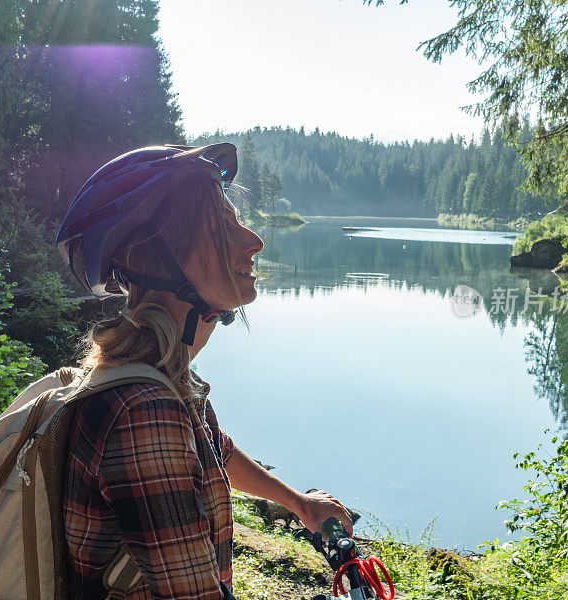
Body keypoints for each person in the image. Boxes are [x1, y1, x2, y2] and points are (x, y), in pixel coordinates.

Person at [55, 144, 353, 600]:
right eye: (224, 227)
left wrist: (298, 505)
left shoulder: (159, 378)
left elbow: (215, 451)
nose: (254, 241)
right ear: (161, 258)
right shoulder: (145, 413)